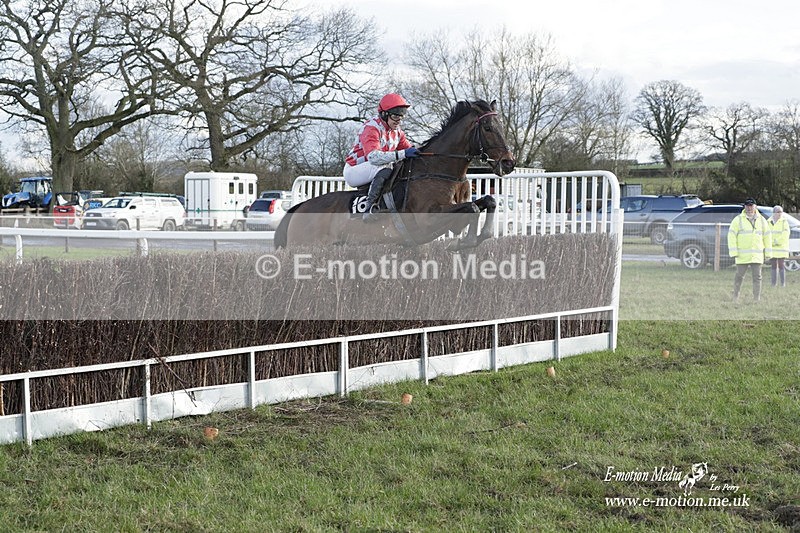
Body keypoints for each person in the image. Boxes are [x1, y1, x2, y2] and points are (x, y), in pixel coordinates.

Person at [343, 93, 420, 222]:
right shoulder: (371, 128)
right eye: (395, 116)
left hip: (373, 169)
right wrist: (402, 154)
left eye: (401, 116)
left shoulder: (397, 132)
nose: (399, 120)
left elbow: (410, 150)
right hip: (354, 170)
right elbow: (374, 157)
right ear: (384, 114)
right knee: (386, 164)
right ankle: (370, 208)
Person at [728, 198, 771, 302]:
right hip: (742, 255)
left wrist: (768, 253)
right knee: (739, 277)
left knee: (757, 277)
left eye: (751, 206)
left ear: (755, 207)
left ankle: (756, 299)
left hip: (757, 255)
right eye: (747, 206)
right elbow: (731, 235)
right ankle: (735, 297)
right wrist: (734, 252)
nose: (749, 208)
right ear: (744, 207)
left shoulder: (762, 220)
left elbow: (767, 236)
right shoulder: (738, 220)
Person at [768, 205, 790, 287]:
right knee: (773, 265)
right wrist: (771, 241)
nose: (780, 213)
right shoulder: (768, 221)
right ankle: (773, 284)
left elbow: (785, 233)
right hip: (772, 247)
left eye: (781, 212)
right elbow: (767, 233)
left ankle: (782, 283)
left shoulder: (784, 222)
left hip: (781, 247)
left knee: (781, 264)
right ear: (774, 213)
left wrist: (777, 241)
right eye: (778, 212)